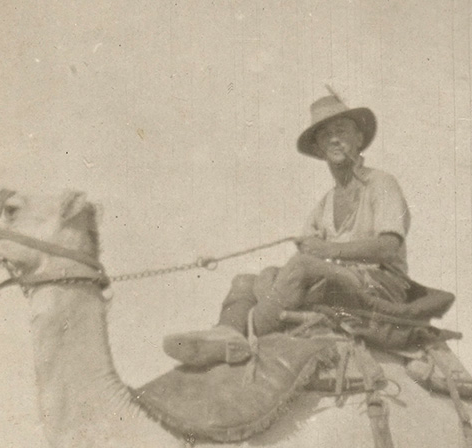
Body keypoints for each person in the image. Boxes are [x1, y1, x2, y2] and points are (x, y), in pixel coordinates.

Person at [164, 94, 421, 367]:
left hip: (380, 287)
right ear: (319, 149)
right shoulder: (324, 205)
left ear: (359, 138)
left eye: (342, 131)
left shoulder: (381, 183)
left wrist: (326, 250)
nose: (334, 139)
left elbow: (389, 246)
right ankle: (225, 332)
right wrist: (278, 274)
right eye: (326, 135)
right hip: (338, 284)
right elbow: (311, 256)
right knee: (247, 281)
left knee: (298, 267)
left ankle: (246, 337)